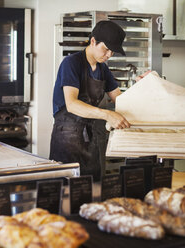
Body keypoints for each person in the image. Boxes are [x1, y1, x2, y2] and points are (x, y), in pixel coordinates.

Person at [49, 20, 132, 181]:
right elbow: (71, 104)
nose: (109, 55)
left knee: (93, 190)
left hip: (91, 141)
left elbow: (120, 100)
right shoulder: (71, 63)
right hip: (67, 140)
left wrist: (143, 87)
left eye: (112, 52)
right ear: (93, 41)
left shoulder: (103, 69)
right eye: (106, 49)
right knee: (66, 192)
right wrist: (107, 115)